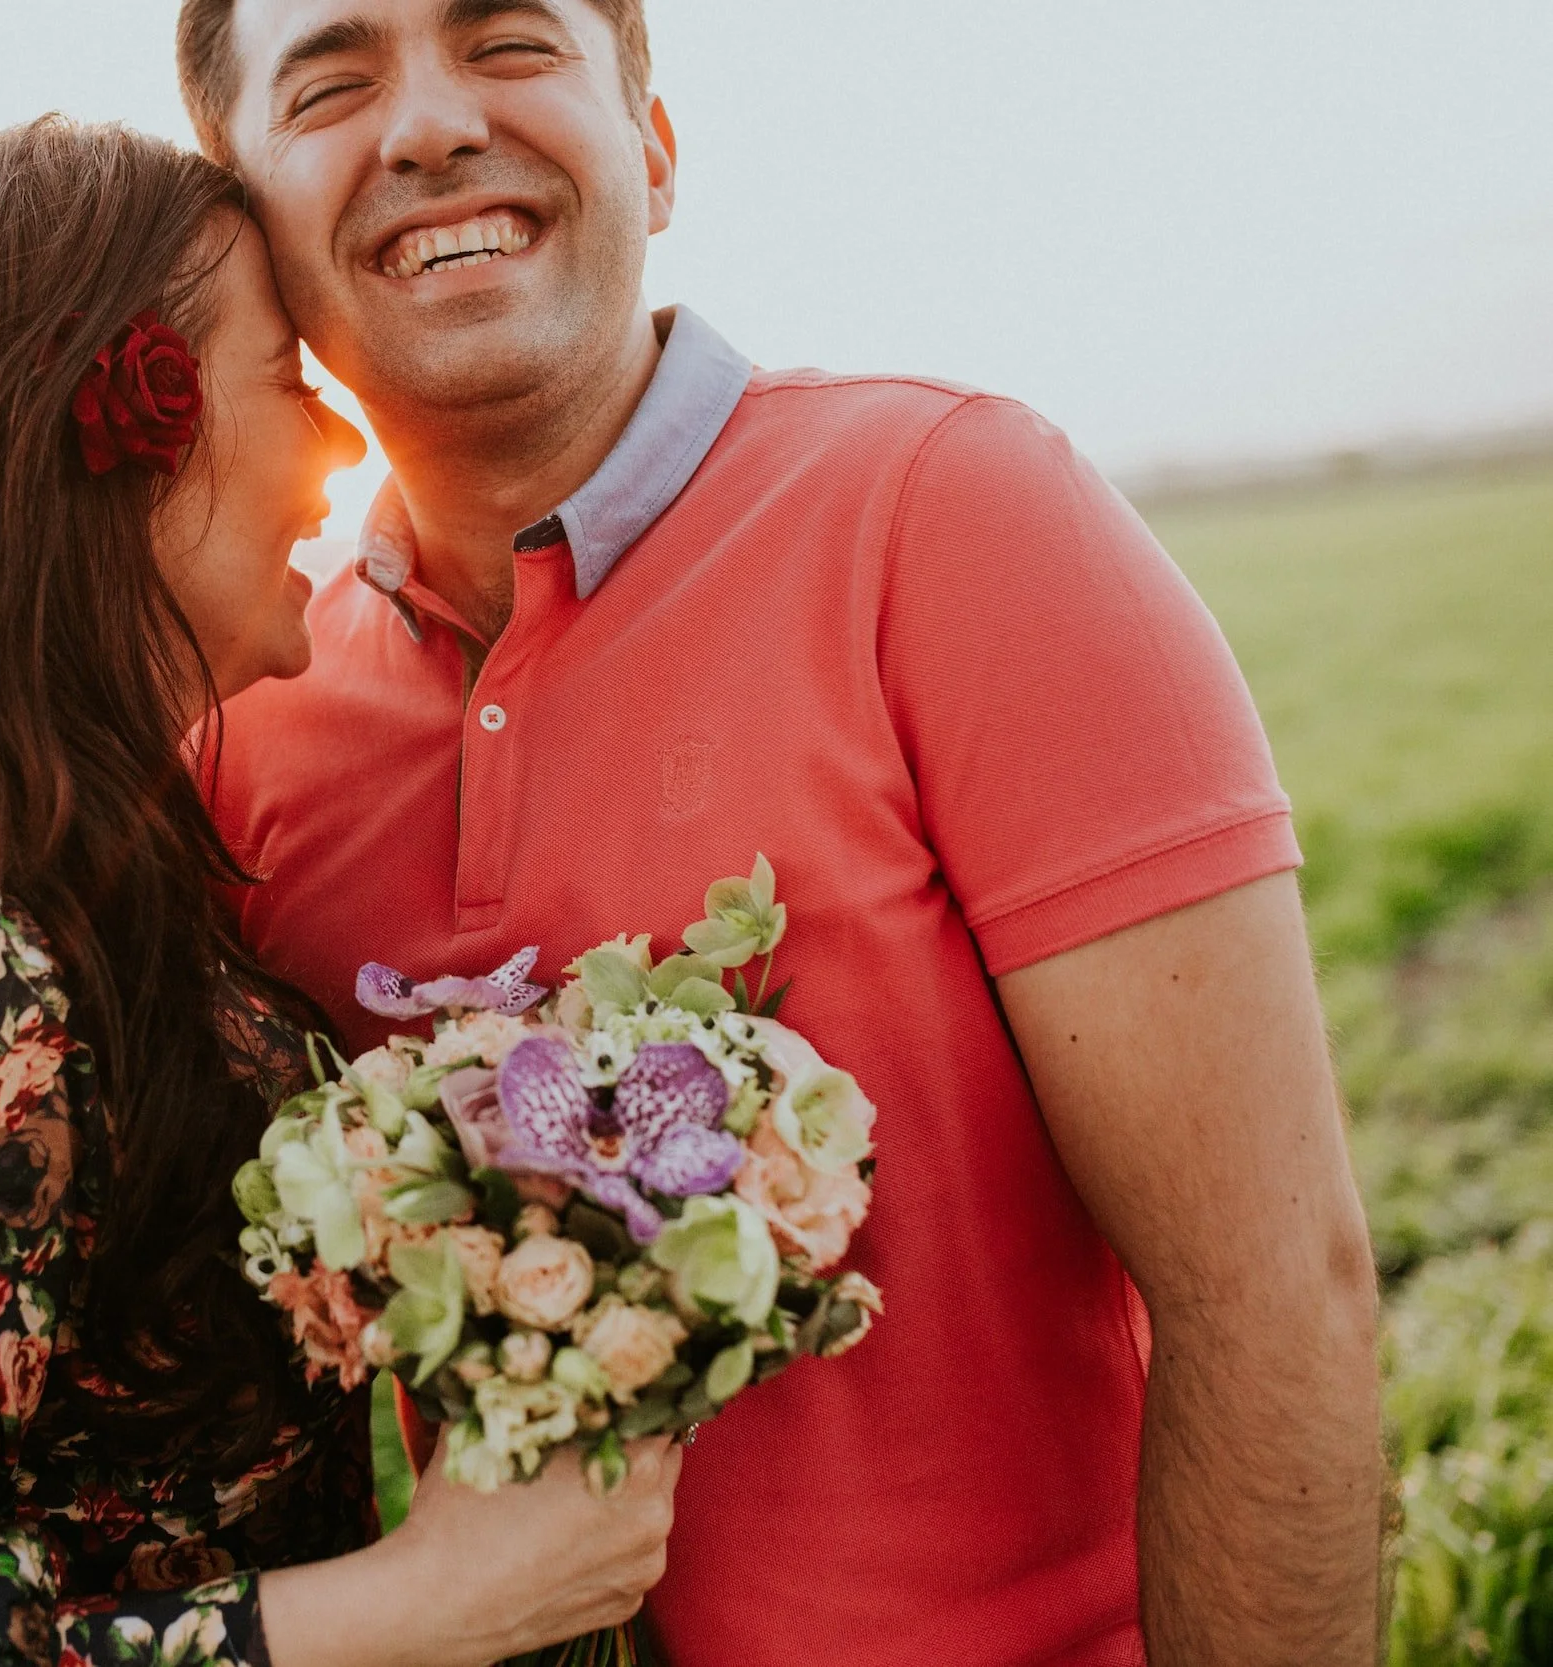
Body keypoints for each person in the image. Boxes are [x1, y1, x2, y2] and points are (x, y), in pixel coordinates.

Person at [178, 2, 1388, 1662]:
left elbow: (1270, 1299)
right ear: (242, 224)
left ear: (655, 155)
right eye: (333, 82)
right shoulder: (246, 727)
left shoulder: (955, 512)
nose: (430, 126)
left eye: (511, 43)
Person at [0, 117, 680, 1667]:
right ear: (116, 431)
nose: (337, 442)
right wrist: (428, 1602)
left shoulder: (92, 865)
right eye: (283, 378)